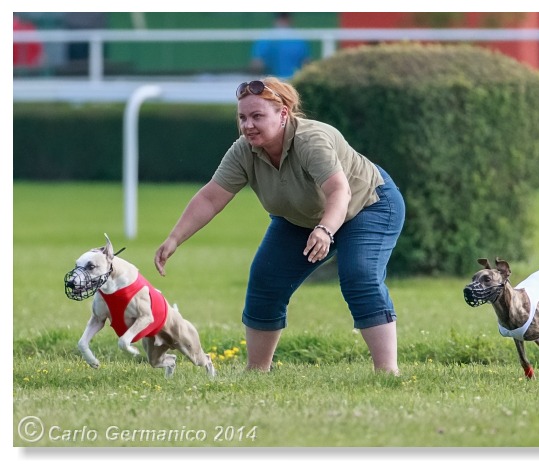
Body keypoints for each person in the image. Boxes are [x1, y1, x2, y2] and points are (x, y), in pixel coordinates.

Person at [154, 77, 405, 375]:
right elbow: (210, 198)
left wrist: (325, 230)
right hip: (300, 218)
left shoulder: (312, 140)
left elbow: (339, 191)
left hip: (367, 206)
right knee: (266, 280)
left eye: (258, 116)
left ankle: (387, 373)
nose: (248, 125)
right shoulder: (243, 151)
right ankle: (257, 372)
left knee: (359, 275)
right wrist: (174, 239)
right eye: (243, 117)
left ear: (283, 114)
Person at [249, 13, 310, 78]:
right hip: (291, 82)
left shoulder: (265, 38)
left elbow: (257, 64)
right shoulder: (299, 38)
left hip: (273, 83)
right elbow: (306, 63)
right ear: (290, 20)